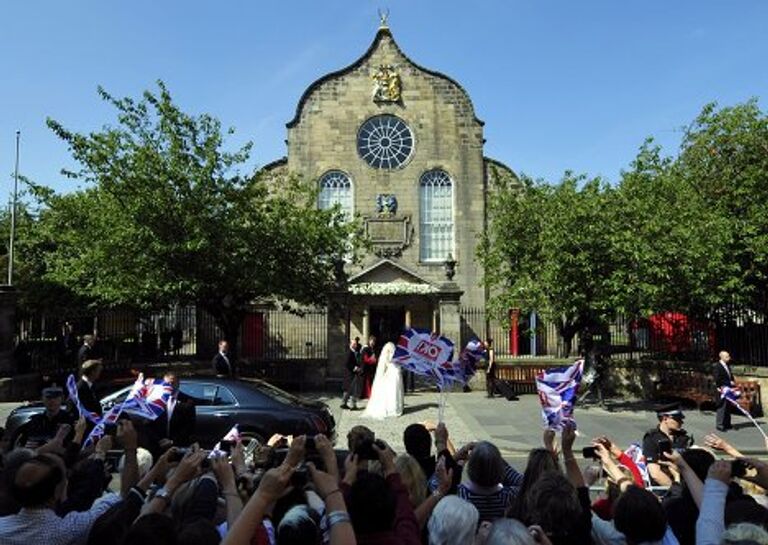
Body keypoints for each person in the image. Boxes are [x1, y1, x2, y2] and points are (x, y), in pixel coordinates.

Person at [0, 452, 121, 544]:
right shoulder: (69, 530)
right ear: (57, 491)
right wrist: (130, 449)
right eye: (65, 477)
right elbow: (125, 496)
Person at [145, 372, 196, 457]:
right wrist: (159, 440)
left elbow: (189, 427)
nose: (169, 386)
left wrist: (172, 442)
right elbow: (148, 424)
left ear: (178, 384)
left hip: (177, 447)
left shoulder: (188, 402)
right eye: (166, 383)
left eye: (172, 383)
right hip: (157, 447)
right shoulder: (154, 400)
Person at [642, 403, 694, 486]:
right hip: (663, 488)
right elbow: (655, 474)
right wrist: (675, 490)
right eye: (677, 419)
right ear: (665, 418)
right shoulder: (651, 439)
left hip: (686, 485)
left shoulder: (684, 438)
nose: (681, 422)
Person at [363, 342, 404, 419]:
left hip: (396, 373)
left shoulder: (395, 352)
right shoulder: (388, 353)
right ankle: (393, 409)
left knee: (396, 390)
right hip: (393, 373)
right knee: (393, 391)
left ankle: (396, 407)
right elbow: (384, 364)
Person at [714, 350, 735, 432]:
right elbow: (717, 378)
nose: (729, 358)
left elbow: (730, 375)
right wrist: (728, 382)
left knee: (728, 407)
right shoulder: (717, 366)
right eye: (727, 356)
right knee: (722, 407)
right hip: (722, 389)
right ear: (722, 357)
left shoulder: (727, 365)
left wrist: (732, 382)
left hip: (729, 388)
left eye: (728, 356)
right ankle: (720, 425)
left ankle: (727, 423)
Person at [341, 337, 362, 410]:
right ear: (350, 344)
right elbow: (347, 363)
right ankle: (352, 405)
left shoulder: (353, 352)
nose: (354, 345)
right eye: (353, 344)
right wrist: (355, 368)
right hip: (350, 374)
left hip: (351, 374)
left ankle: (344, 403)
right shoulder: (349, 352)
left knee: (348, 389)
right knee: (353, 390)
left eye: (355, 344)